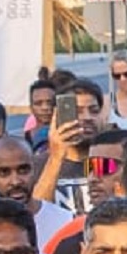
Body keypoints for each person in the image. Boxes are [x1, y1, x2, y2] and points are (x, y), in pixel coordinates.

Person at [0, 135, 75, 254]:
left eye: (23, 170)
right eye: (4, 172)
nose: (15, 181)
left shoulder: (65, 222)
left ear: (34, 169)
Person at [33, 79, 108, 215]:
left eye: (94, 111)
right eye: (78, 111)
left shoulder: (108, 162)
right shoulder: (38, 165)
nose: (87, 117)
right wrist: (56, 157)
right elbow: (37, 215)